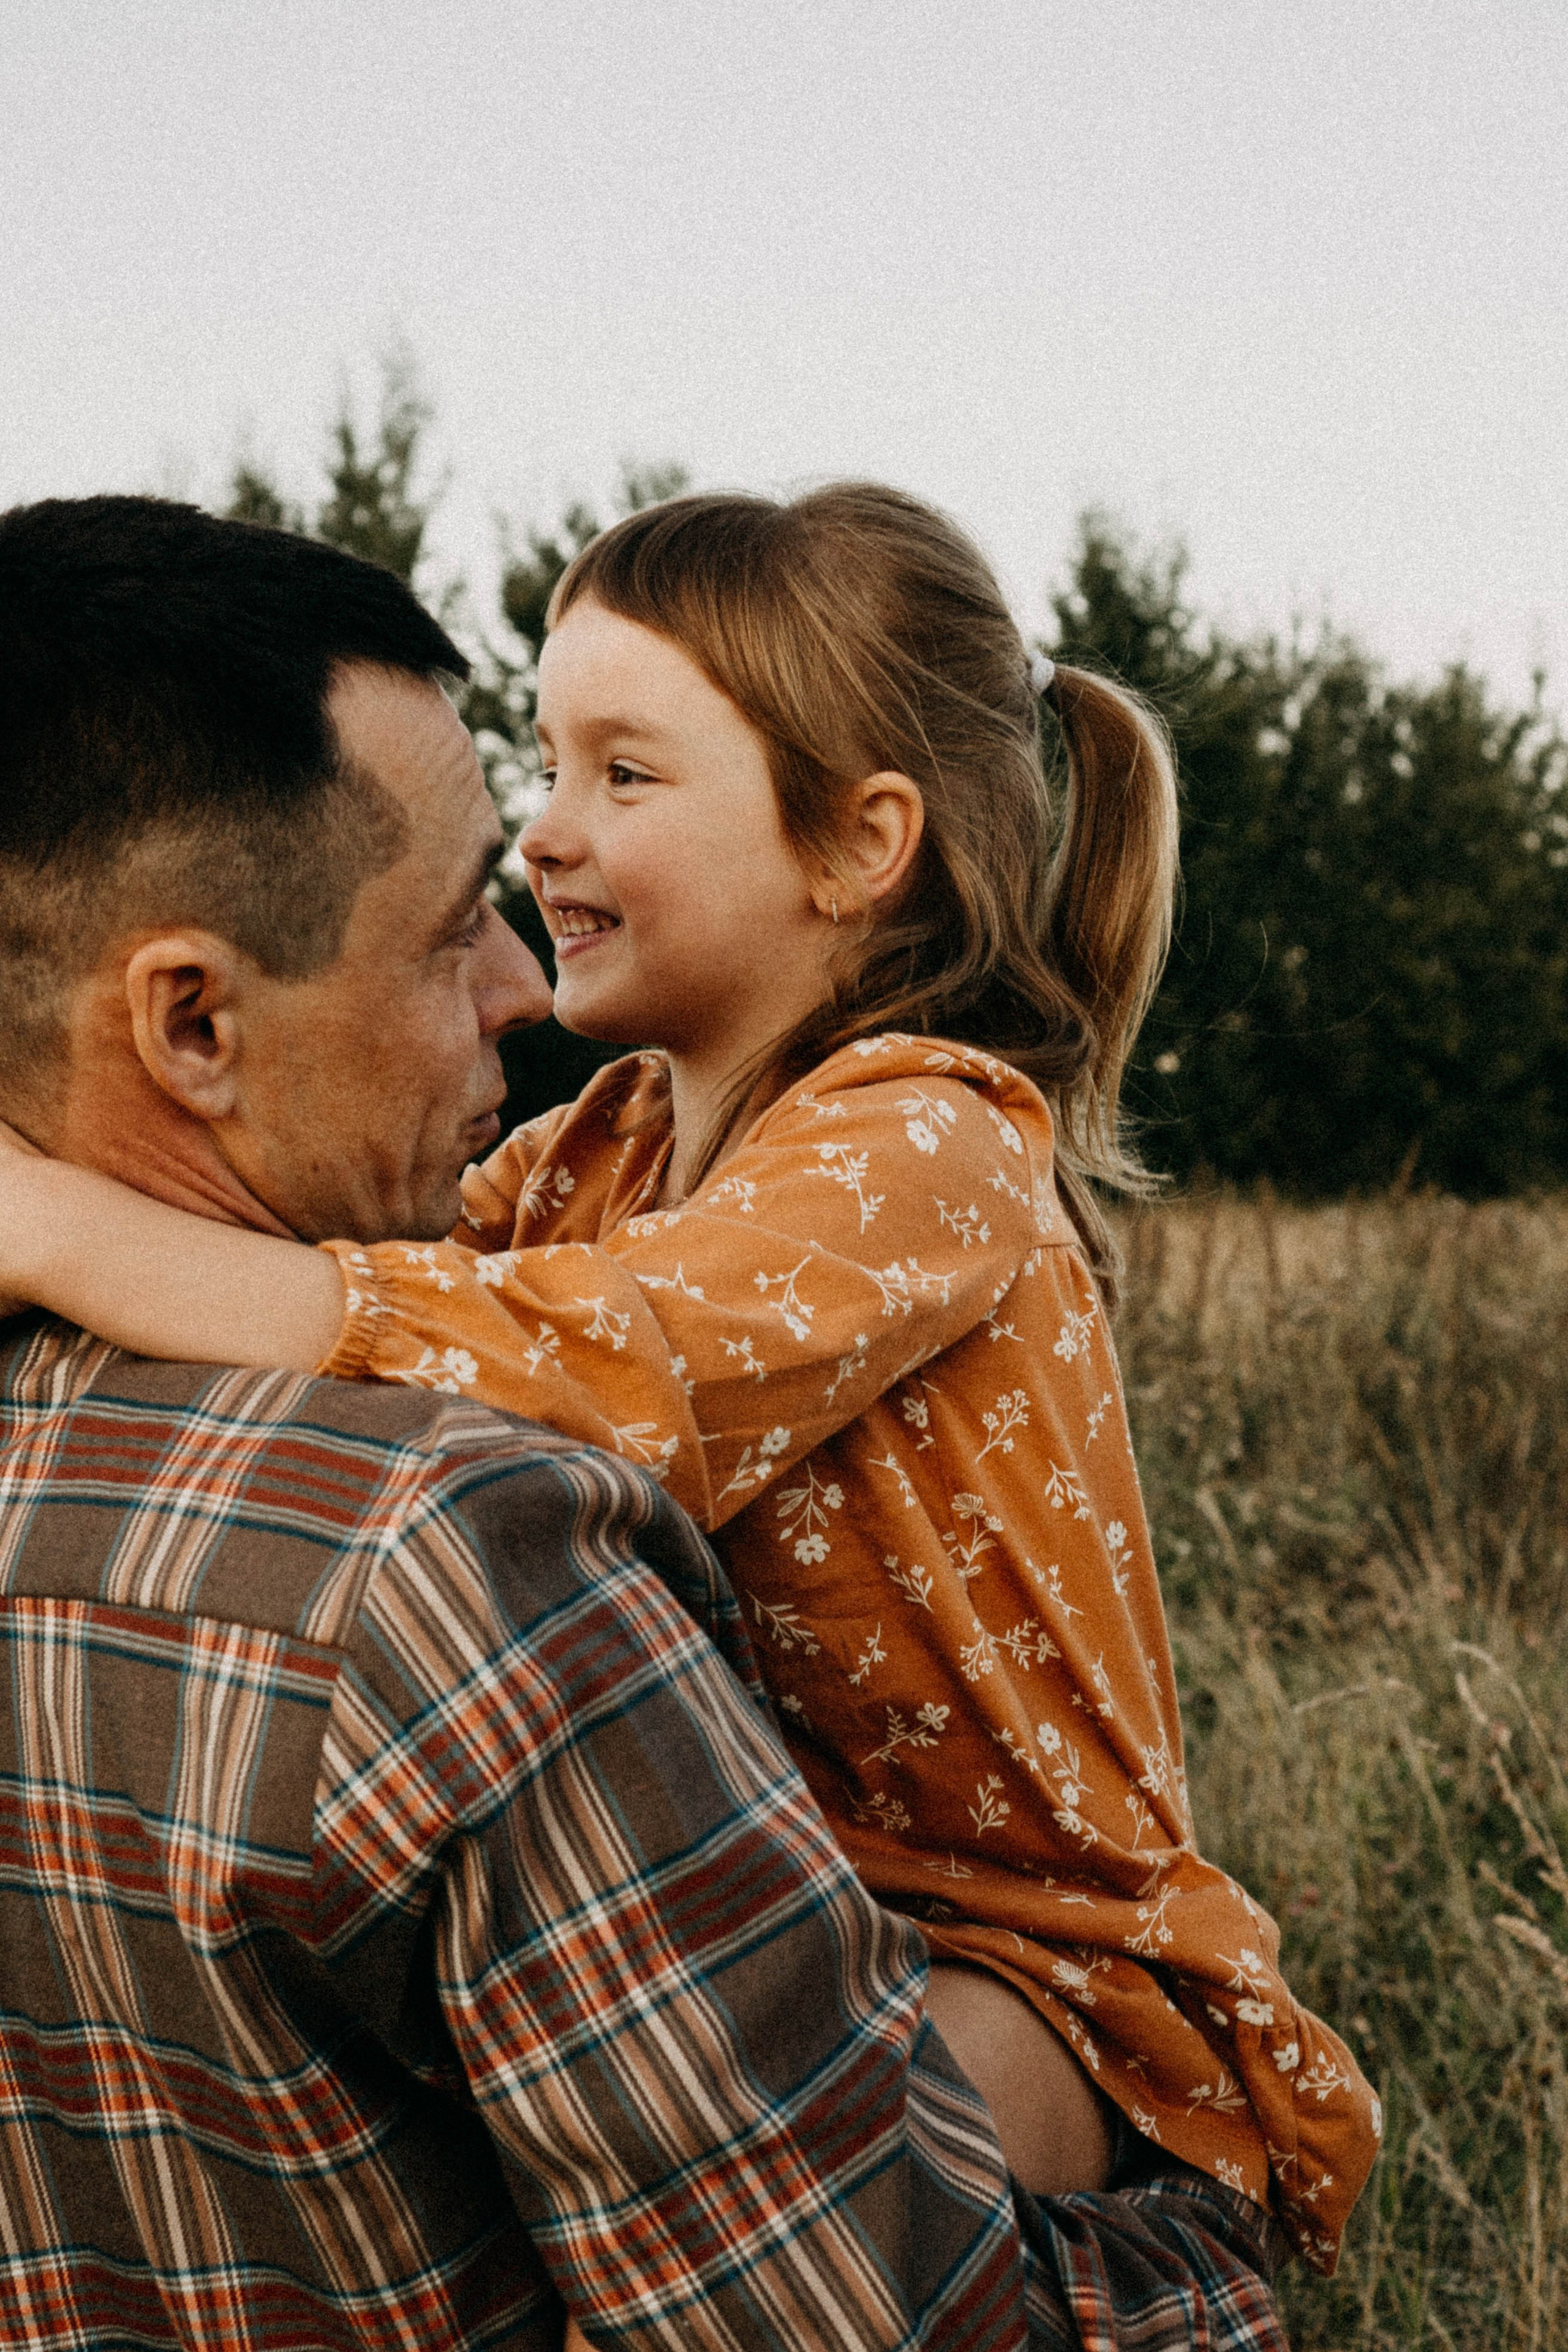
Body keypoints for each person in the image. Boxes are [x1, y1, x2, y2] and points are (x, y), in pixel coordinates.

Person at [1, 486, 1378, 2312]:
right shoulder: (607, 1143)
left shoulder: (934, 1141)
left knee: (768, 2254)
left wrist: (54, 1221)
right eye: (544, 762)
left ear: (858, 843)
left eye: (623, 776)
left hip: (1024, 1953)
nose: (548, 840)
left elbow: (582, 1363)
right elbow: (405, 1298)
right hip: (797, 1901)